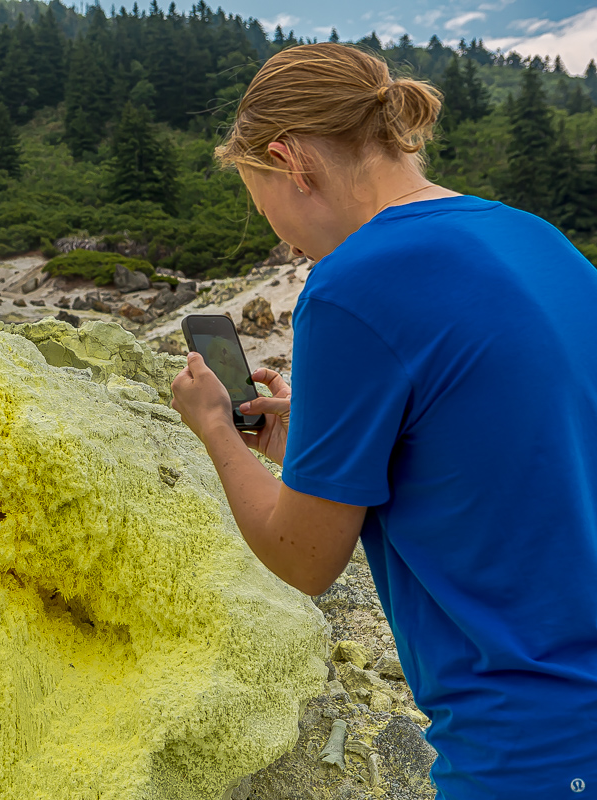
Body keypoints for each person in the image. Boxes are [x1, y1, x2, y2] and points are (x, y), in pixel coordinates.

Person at [169, 42, 597, 799]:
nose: (283, 241)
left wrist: (214, 429)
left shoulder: (352, 285)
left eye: (264, 203)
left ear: (289, 161)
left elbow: (304, 558)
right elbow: (523, 435)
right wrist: (320, 438)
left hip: (532, 737)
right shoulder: (537, 239)